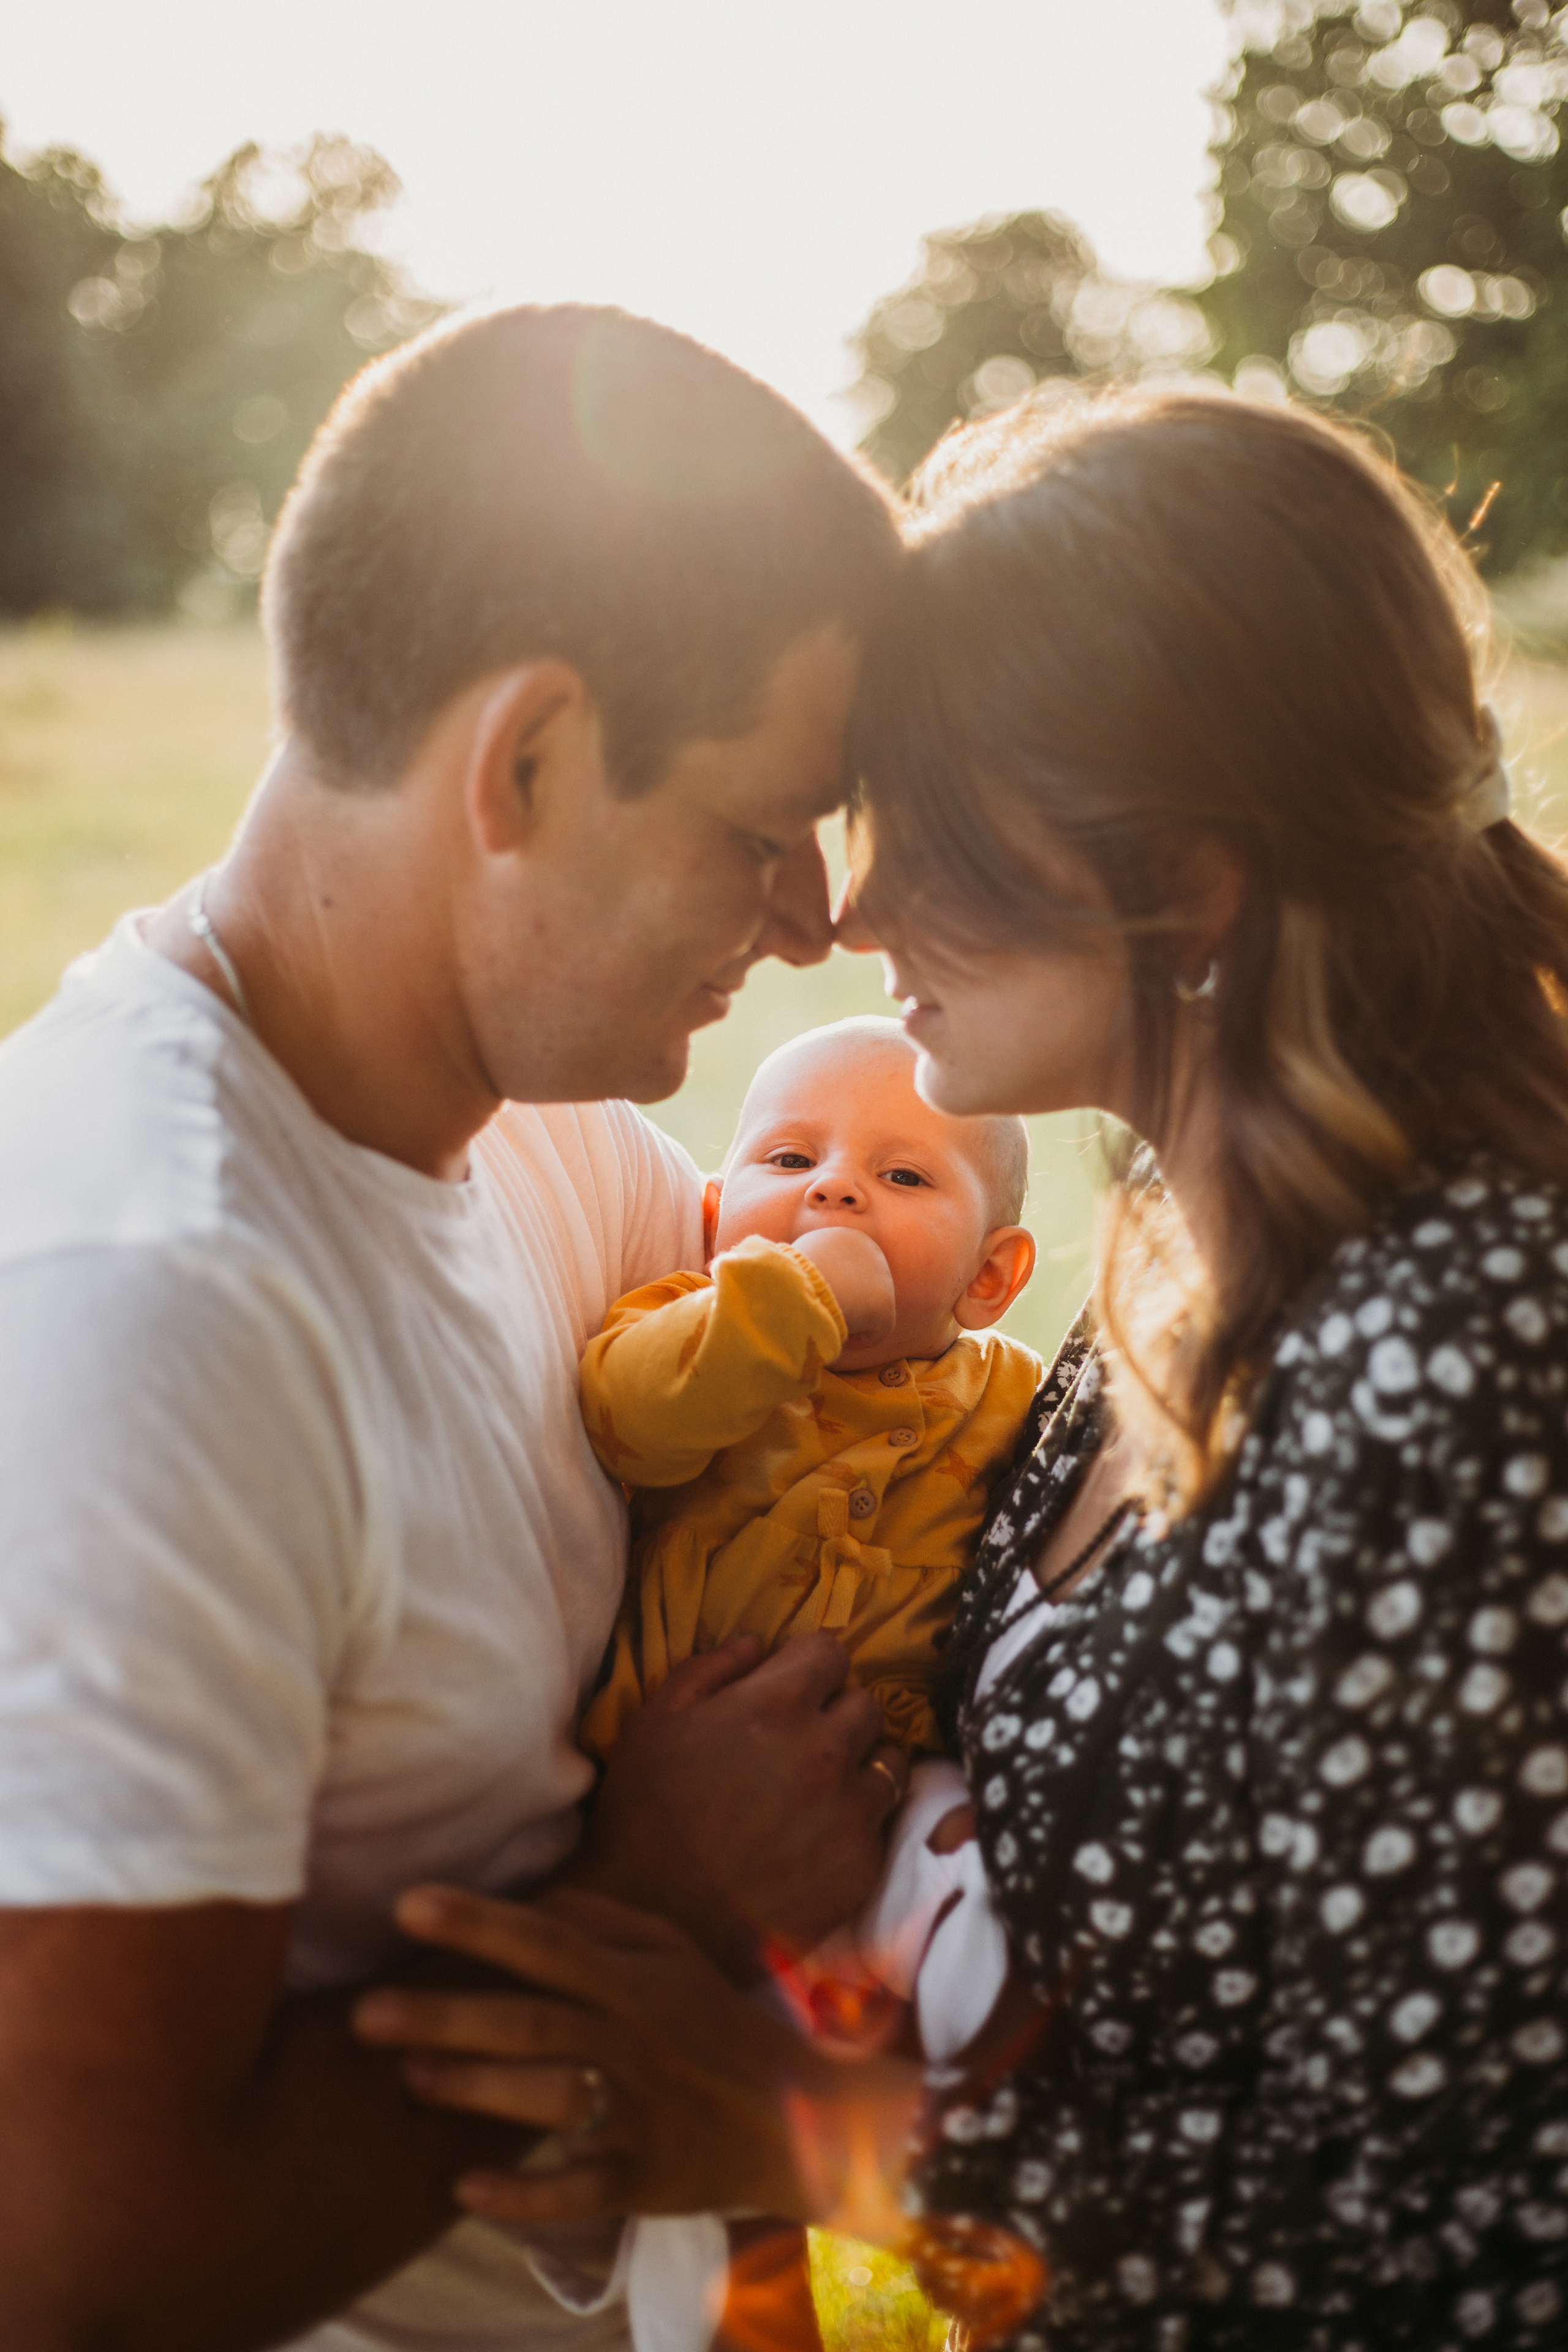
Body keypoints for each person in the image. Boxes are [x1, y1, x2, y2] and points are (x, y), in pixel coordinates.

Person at [358, 388, 1568, 2351]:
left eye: (914, 826)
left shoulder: (1468, 1347)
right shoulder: (1186, 1253)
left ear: (1176, 876)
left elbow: (1436, 2239)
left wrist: (791, 2126)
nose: (844, 905)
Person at [0, 302, 909, 2352]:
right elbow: (76, 2257)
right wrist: (646, 1896)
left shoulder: (546, 1129)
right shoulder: (162, 1299)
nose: (805, 928)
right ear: (522, 759)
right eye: (762, 834)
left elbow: (859, 1364)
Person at [578, 1015, 1039, 1762]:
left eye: (903, 1176)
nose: (834, 1188)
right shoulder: (696, 1326)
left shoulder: (1010, 1394)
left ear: (988, 1277)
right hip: (669, 1763)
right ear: (714, 1222)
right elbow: (628, 1420)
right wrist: (795, 1294)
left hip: (891, 1776)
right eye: (791, 1159)